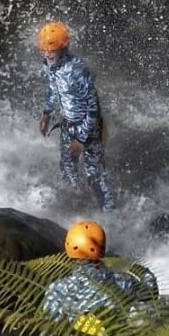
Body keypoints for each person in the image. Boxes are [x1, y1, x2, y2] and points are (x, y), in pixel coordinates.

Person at [24, 219, 158, 336]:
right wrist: (141, 270)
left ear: (68, 246)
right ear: (102, 248)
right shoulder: (124, 282)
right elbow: (151, 292)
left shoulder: (59, 291)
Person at [36, 20, 116, 211]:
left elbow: (94, 108)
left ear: (63, 48)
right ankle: (79, 203)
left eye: (51, 50)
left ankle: (110, 215)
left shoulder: (77, 71)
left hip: (88, 129)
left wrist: (81, 140)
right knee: (67, 167)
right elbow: (54, 88)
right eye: (44, 50)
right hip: (67, 125)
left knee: (94, 175)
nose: (47, 54)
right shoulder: (50, 65)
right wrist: (47, 113)